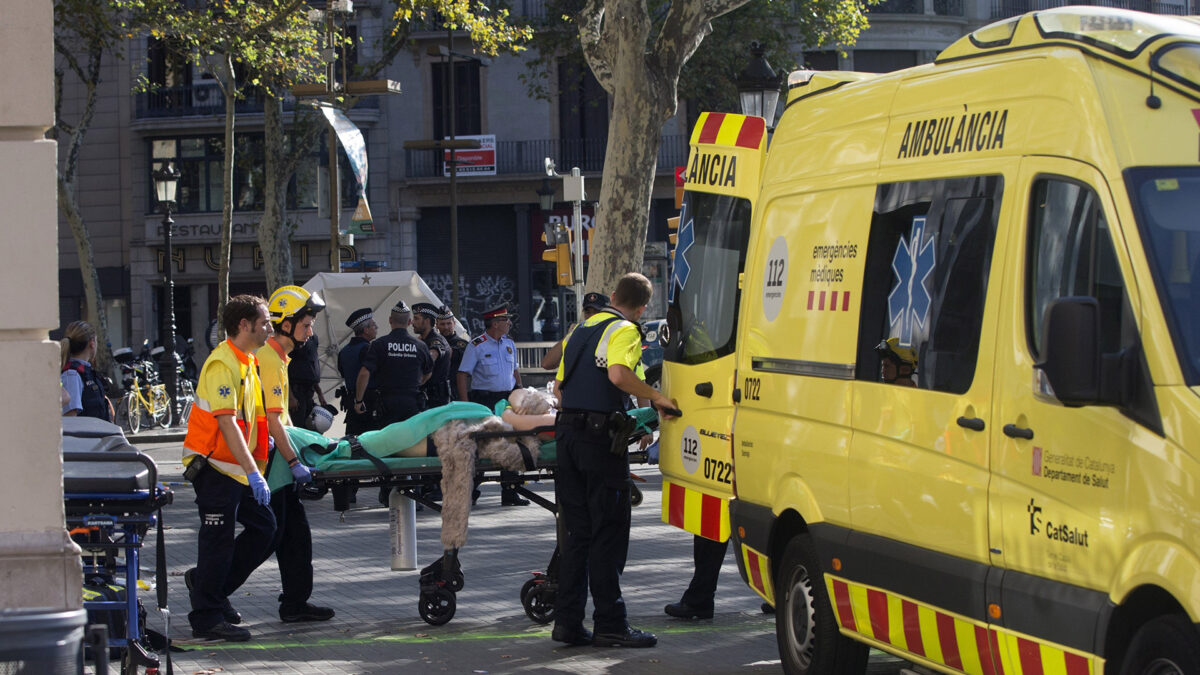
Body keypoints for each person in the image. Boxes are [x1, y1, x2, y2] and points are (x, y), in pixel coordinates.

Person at [551, 273, 680, 649]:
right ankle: (611, 623)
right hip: (598, 442)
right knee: (608, 532)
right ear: (643, 309)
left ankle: (568, 623)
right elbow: (619, 374)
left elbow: (559, 387)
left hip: (567, 437)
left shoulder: (581, 329)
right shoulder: (626, 330)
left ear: (610, 295)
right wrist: (657, 397)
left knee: (577, 535)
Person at [182, 295, 276, 642]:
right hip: (214, 469)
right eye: (265, 322)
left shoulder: (246, 361)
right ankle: (206, 617)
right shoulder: (223, 363)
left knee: (265, 529)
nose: (270, 327)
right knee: (216, 544)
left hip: (235, 468)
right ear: (244, 325)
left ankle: (211, 589)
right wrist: (253, 472)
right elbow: (227, 423)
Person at [251, 285, 335, 624]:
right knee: (268, 535)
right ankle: (209, 584)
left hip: (279, 461)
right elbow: (273, 421)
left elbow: (282, 419)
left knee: (294, 536)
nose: (310, 330)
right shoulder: (270, 359)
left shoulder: (280, 358)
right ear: (285, 323)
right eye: (306, 323)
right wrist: (295, 461)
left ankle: (296, 603)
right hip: (273, 463)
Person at [457, 304, 527, 506]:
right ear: (495, 323)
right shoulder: (477, 345)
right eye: (506, 320)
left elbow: (515, 370)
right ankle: (470, 490)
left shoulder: (509, 344)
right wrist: (465, 404)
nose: (510, 323)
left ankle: (510, 492)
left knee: (511, 442)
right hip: (485, 400)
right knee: (482, 445)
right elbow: (462, 374)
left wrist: (520, 390)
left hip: (506, 399)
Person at [354, 301, 432, 428]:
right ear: (409, 322)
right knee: (410, 441)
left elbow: (364, 373)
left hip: (387, 403)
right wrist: (417, 383)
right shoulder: (421, 346)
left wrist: (359, 401)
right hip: (412, 403)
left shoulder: (379, 344)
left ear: (390, 320)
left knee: (387, 443)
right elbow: (428, 372)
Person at [539, 292, 607, 372]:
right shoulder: (577, 334)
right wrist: (569, 336)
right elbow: (546, 364)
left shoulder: (610, 333)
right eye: (588, 312)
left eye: (596, 312)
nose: (592, 316)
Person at [59, 320, 112, 421]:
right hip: (86, 436)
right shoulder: (71, 375)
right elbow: (70, 420)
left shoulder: (86, 372)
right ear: (92, 343)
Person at [338, 307, 378, 436]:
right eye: (373, 325)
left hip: (351, 404)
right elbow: (370, 373)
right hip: (369, 404)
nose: (376, 326)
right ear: (366, 330)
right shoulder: (368, 349)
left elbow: (343, 374)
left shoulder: (343, 352)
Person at [413, 302, 452, 408]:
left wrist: (417, 382)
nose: (412, 322)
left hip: (436, 400)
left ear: (427, 321)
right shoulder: (422, 341)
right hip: (426, 397)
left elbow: (431, 358)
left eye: (416, 319)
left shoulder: (436, 341)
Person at [288, 331, 328, 430]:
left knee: (310, 426)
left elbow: (312, 367)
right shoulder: (293, 338)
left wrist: (320, 393)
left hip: (309, 392)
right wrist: (291, 397)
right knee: (298, 426)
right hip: (296, 392)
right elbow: (284, 369)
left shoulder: (313, 338)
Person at [436, 306, 469, 378]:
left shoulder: (464, 345)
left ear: (454, 323)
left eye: (449, 323)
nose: (446, 327)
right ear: (437, 325)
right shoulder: (432, 343)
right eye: (442, 324)